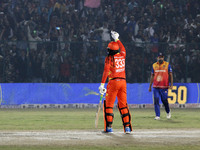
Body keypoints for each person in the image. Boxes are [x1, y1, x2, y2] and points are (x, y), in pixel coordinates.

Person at [99, 31, 132, 134]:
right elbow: (123, 49)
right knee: (123, 105)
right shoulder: (122, 56)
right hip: (123, 82)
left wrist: (102, 84)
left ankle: (108, 128)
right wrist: (117, 39)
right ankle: (127, 128)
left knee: (108, 105)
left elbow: (105, 71)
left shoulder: (109, 58)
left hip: (113, 82)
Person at [148, 52, 173, 120]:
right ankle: (157, 115)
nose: (160, 58)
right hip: (156, 86)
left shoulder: (167, 65)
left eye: (161, 57)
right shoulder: (154, 65)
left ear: (163, 58)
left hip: (164, 86)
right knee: (156, 100)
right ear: (157, 58)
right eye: (159, 57)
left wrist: (171, 85)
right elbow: (152, 76)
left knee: (164, 100)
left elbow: (170, 75)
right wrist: (150, 86)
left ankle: (168, 112)